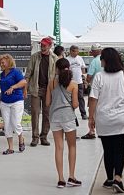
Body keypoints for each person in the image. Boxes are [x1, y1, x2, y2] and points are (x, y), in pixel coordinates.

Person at [88, 48, 124, 193]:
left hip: (103, 119)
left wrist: (91, 118)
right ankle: (118, 179)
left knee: (108, 150)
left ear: (105, 60)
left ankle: (109, 179)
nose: (101, 61)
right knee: (119, 150)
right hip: (121, 119)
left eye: (102, 58)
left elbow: (93, 99)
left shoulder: (99, 77)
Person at [46, 58, 81, 188]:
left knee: (58, 148)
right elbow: (76, 104)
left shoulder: (51, 83)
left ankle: (61, 179)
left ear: (57, 69)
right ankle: (71, 176)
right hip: (68, 118)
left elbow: (48, 103)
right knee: (72, 146)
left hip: (55, 118)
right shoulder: (73, 84)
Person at [24, 37, 58, 147]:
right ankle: (35, 137)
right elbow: (28, 74)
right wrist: (25, 88)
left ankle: (44, 136)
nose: (42, 47)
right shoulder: (35, 57)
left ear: (50, 46)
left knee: (47, 114)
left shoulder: (54, 58)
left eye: (45, 45)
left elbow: (57, 75)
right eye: (41, 45)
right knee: (35, 112)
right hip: (36, 88)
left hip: (49, 90)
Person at [0, 54, 26, 155]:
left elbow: (23, 82)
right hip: (4, 102)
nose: (1, 64)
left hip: (16, 101)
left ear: (9, 62)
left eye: (3, 62)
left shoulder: (16, 72)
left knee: (15, 123)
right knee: (7, 125)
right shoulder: (2, 74)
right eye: (0, 62)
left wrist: (13, 87)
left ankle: (21, 139)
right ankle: (10, 148)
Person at [81, 43, 103, 139]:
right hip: (106, 89)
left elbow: (89, 76)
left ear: (95, 51)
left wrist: (86, 82)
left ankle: (92, 131)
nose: (91, 52)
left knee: (92, 110)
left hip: (95, 88)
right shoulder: (105, 60)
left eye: (92, 51)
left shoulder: (94, 61)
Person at [66, 45, 87, 120]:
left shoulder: (80, 58)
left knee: (81, 98)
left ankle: (83, 114)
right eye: (75, 51)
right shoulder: (67, 59)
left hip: (79, 81)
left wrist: (84, 78)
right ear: (71, 51)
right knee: (71, 98)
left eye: (77, 51)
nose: (76, 53)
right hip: (71, 82)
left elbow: (83, 68)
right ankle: (72, 114)